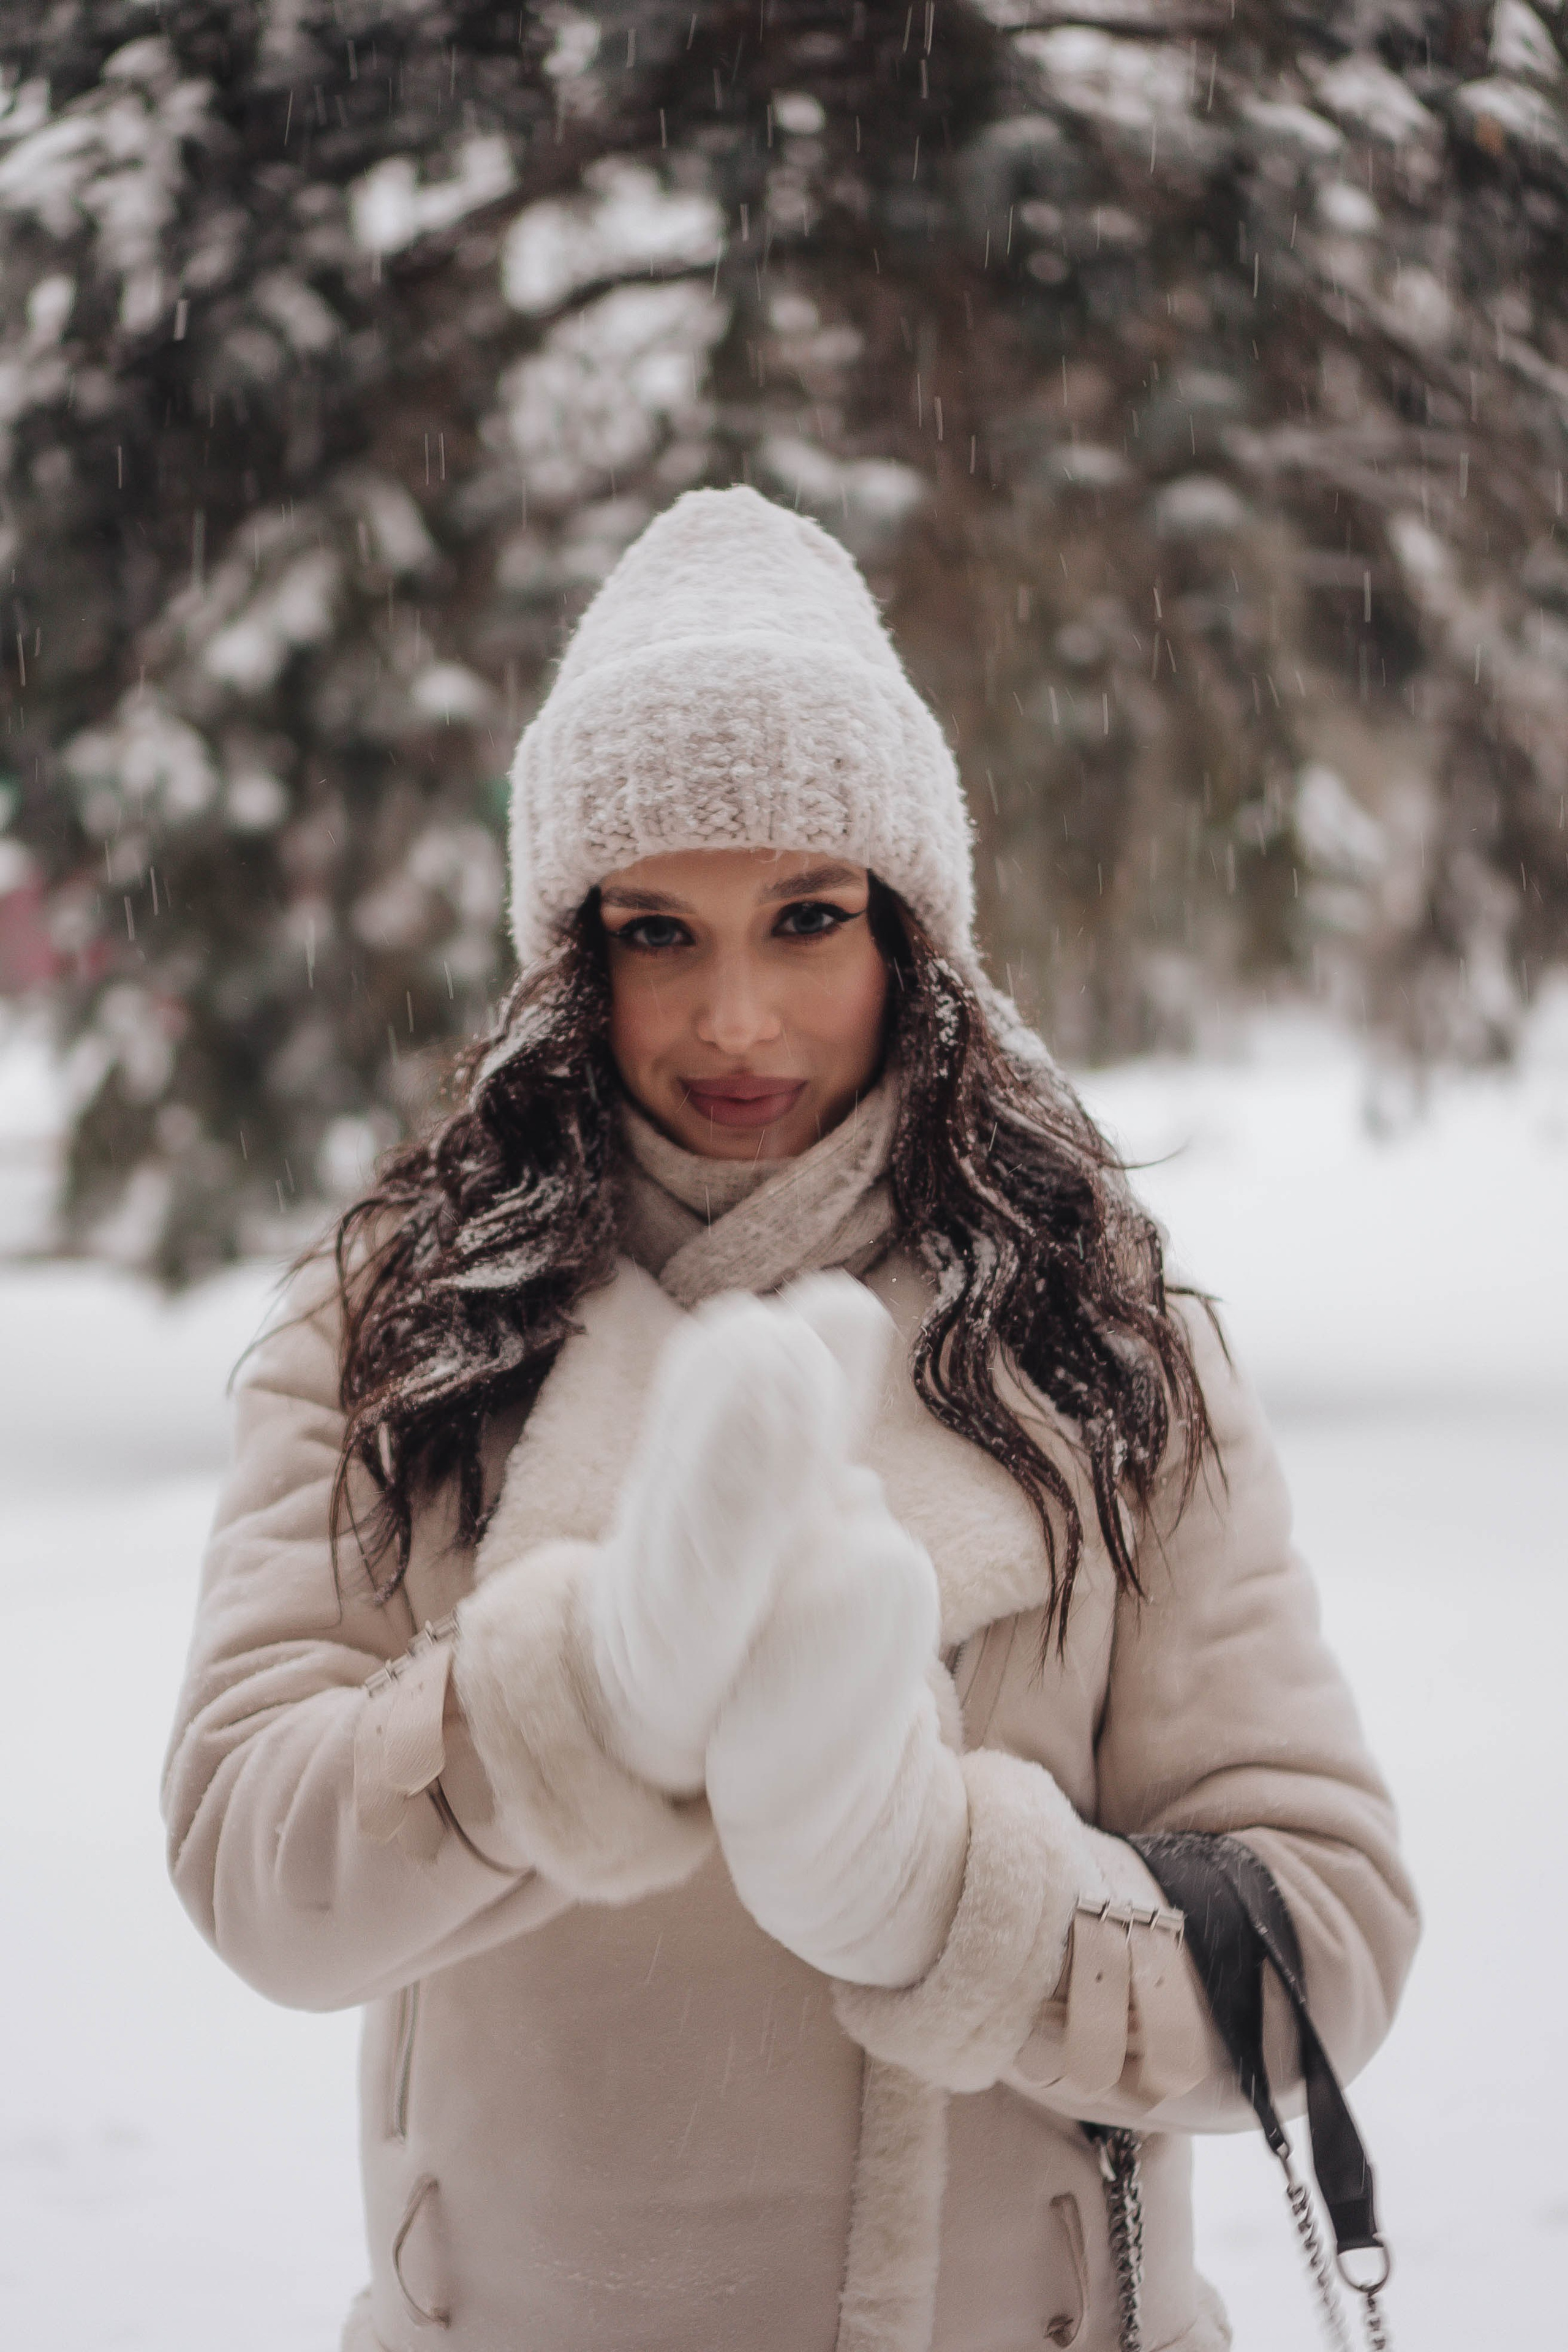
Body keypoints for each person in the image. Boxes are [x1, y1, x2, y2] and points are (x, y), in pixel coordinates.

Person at [163, 488, 1418, 2352]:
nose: (733, 1016)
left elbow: (1321, 1932)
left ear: (911, 931)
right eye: (657, 928)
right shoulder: (396, 1330)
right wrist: (575, 1702)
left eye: (805, 918)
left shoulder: (1103, 1338)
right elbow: (258, 1874)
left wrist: (935, 1889)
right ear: (571, 951)